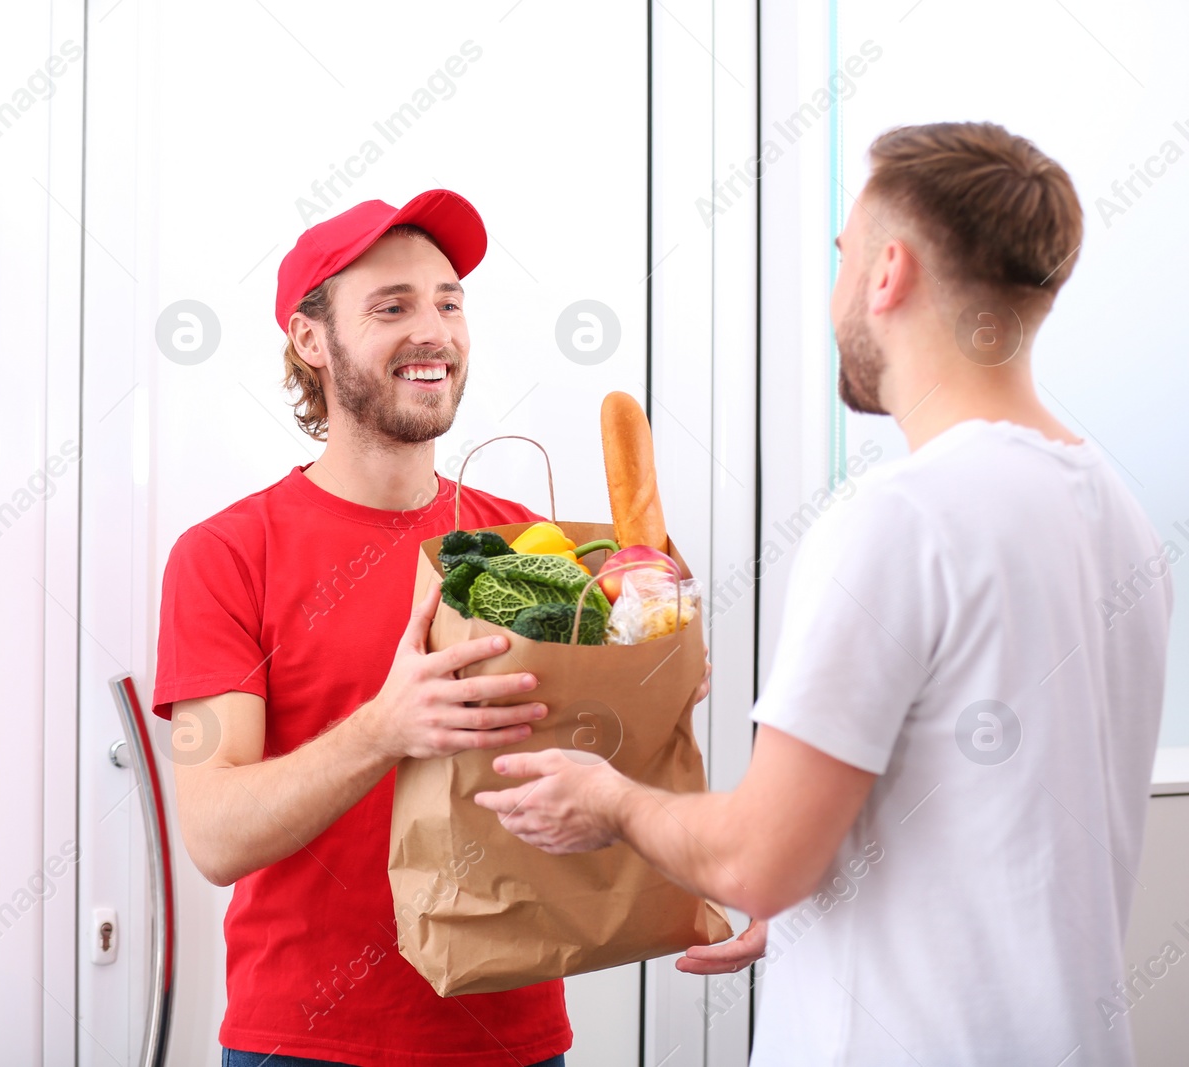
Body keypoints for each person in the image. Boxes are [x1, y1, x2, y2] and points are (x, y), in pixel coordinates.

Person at [475, 122, 1173, 1066]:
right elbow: (988, 812)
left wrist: (609, 800)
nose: (837, 288)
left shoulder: (900, 516)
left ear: (887, 273)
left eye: (841, 256)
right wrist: (820, 912)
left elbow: (757, 857)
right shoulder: (1117, 510)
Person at [152, 189, 763, 1067]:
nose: (433, 329)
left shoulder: (527, 542)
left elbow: (585, 770)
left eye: (448, 301)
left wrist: (648, 692)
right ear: (310, 340)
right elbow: (215, 834)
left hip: (513, 1036)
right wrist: (385, 727)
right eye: (391, 307)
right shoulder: (225, 554)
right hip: (306, 1045)